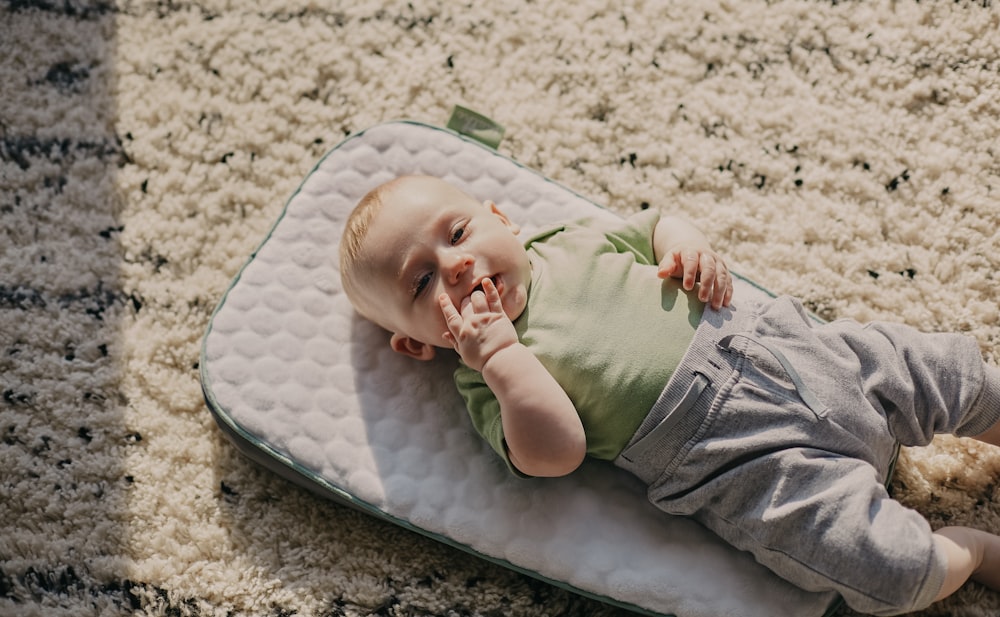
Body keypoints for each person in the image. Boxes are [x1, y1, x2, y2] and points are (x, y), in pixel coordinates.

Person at [338, 174, 1000, 616]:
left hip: (794, 353)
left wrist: (687, 246)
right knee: (886, 574)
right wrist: (503, 357)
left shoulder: (567, 242)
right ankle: (967, 550)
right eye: (421, 282)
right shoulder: (483, 378)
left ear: (499, 217)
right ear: (417, 344)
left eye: (457, 234)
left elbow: (656, 224)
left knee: (946, 371)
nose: (454, 266)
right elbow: (554, 452)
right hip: (742, 461)